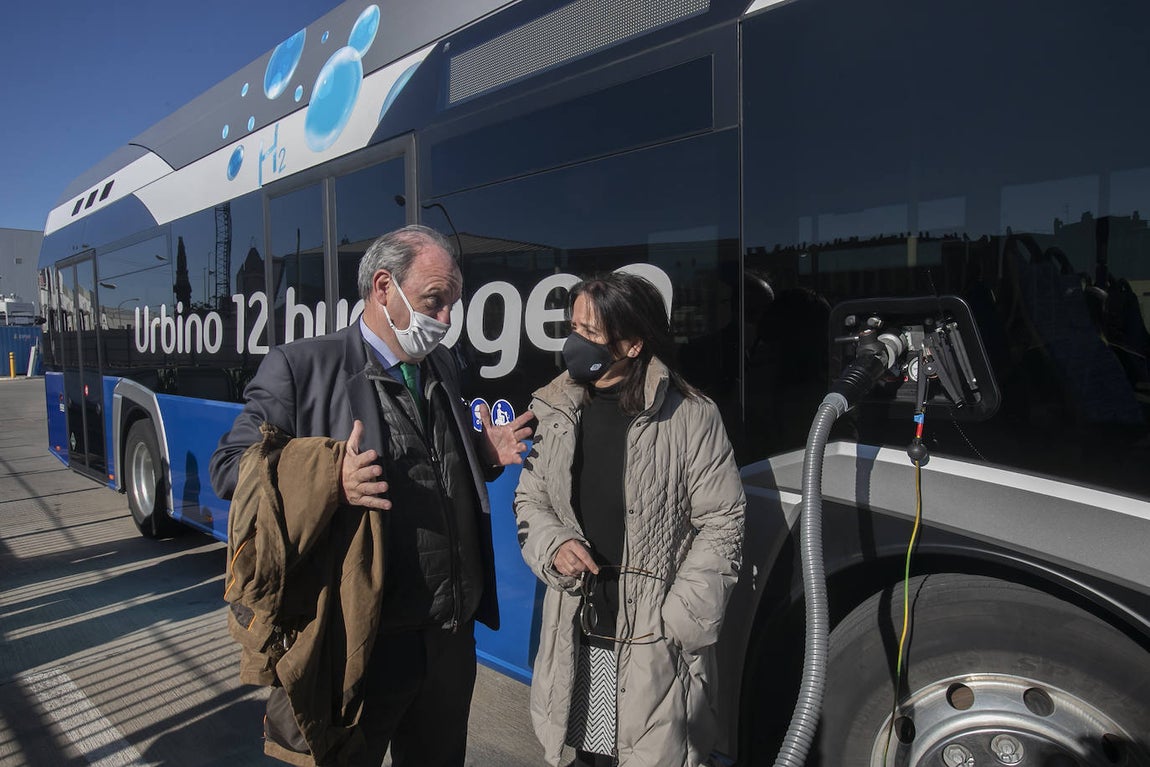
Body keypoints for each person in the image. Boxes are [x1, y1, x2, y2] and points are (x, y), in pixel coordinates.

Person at [209, 225, 534, 767]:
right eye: (436, 300)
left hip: (447, 641)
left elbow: (430, 470)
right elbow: (230, 470)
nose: (448, 319)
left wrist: (483, 456)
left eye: (453, 303)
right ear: (384, 287)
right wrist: (329, 477)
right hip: (360, 640)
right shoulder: (303, 367)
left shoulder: (442, 365)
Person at [514, 272, 746, 767]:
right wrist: (553, 545)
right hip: (584, 625)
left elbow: (724, 521)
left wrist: (679, 619)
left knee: (653, 756)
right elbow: (531, 501)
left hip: (654, 638)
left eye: (591, 333)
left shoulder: (691, 416)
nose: (576, 343)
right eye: (573, 327)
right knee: (593, 755)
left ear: (633, 343)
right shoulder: (557, 407)